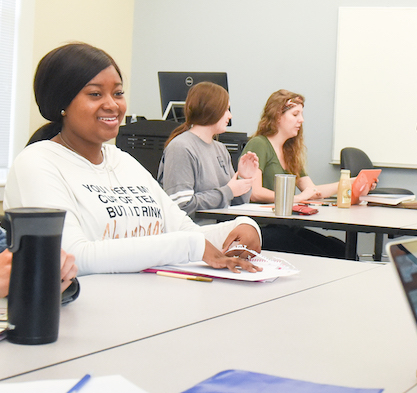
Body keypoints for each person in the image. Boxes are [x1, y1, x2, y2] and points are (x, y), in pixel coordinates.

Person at [3, 42, 262, 276]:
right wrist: (188, 246)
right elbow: (71, 258)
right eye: (95, 94)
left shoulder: (122, 161)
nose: (112, 105)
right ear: (62, 104)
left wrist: (243, 227)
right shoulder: (37, 163)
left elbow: (186, 231)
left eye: (117, 93)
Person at [242, 90, 345, 258]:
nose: (301, 120)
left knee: (339, 249)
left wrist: (347, 184)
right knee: (321, 255)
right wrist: (296, 198)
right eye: (295, 114)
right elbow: (255, 192)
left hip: (284, 225)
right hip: (262, 227)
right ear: (277, 116)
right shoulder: (259, 144)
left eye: (301, 114)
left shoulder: (290, 152)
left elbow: (312, 192)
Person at [157, 81, 259, 216]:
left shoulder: (220, 149)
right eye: (226, 109)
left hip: (219, 226)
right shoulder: (181, 147)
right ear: (212, 109)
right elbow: (182, 205)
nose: (230, 115)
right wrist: (228, 191)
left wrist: (242, 179)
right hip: (194, 231)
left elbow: (236, 203)